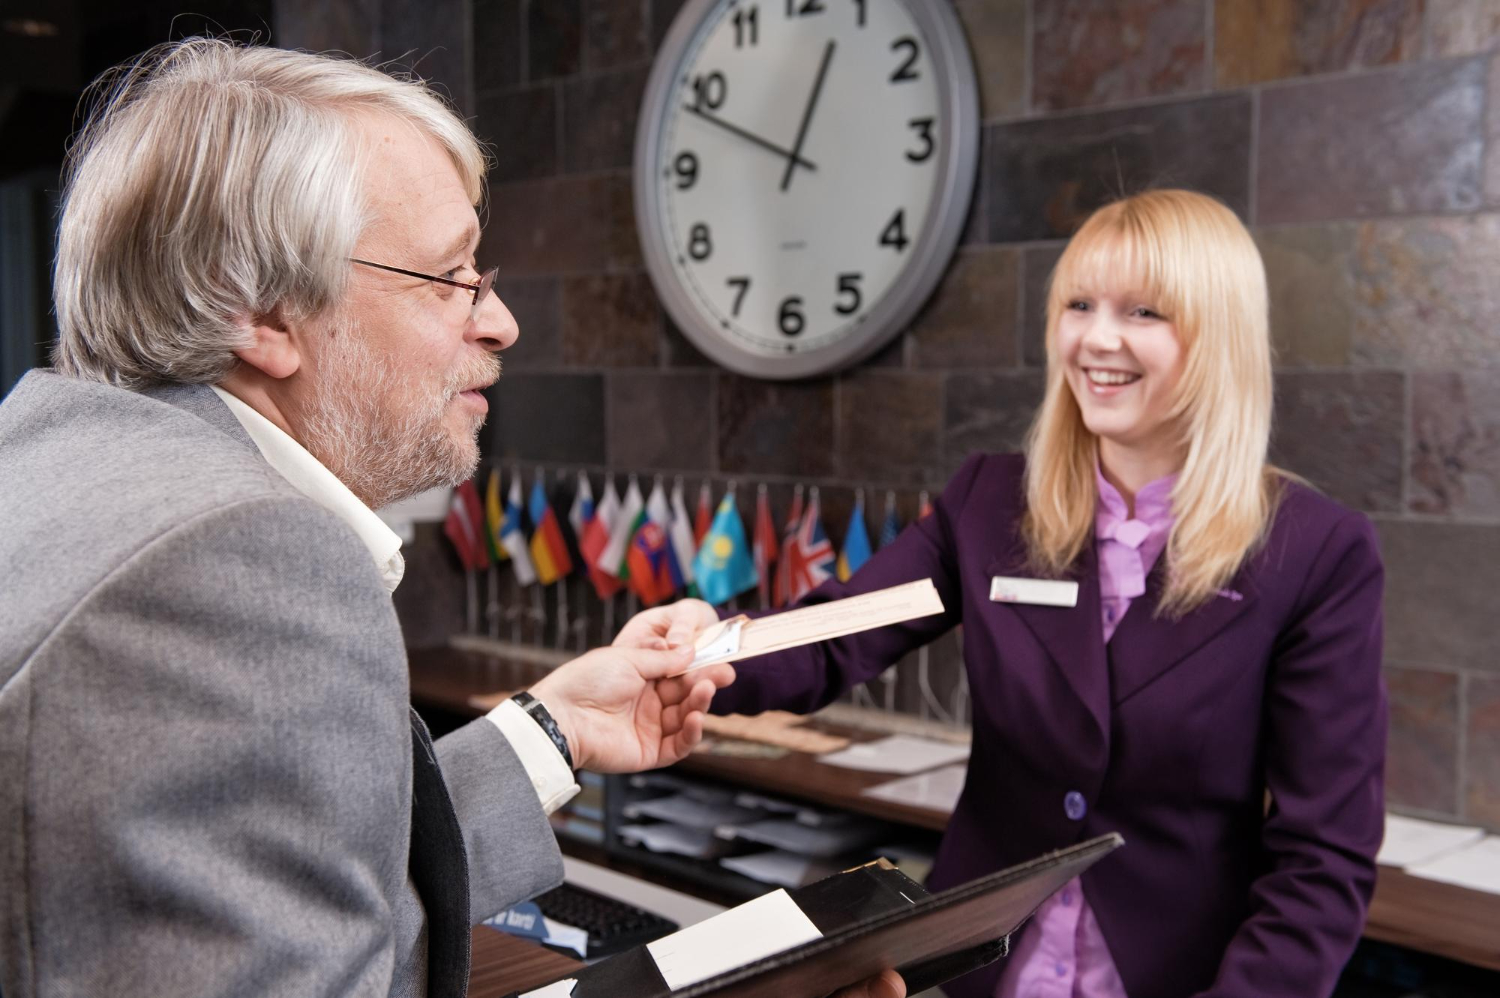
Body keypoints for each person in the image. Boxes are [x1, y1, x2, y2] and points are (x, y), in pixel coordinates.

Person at [0, 39, 901, 998]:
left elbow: (293, 867)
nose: (500, 321)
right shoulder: (238, 558)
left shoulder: (57, 452)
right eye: (451, 276)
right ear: (256, 308)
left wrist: (555, 729)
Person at [631, 190, 1387, 998]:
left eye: (1142, 312)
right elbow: (837, 631)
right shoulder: (990, 503)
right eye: (1079, 305)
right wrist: (702, 650)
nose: (1097, 338)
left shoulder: (1316, 552)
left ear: (1220, 336)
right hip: (975, 972)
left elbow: (1323, 856)